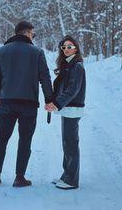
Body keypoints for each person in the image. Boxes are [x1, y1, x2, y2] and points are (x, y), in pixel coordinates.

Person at [0, 20, 53, 187]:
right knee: (25, 140)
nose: (33, 36)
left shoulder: (2, 51)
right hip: (29, 104)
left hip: (7, 103)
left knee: (2, 138)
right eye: (32, 33)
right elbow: (45, 78)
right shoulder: (37, 52)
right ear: (26, 33)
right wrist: (49, 100)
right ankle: (19, 177)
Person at [45, 35, 86, 190]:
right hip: (68, 109)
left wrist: (56, 104)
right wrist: (53, 102)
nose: (66, 49)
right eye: (64, 47)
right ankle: (66, 175)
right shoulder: (69, 65)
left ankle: (72, 180)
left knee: (71, 144)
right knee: (67, 143)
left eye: (70, 46)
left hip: (72, 108)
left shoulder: (77, 66)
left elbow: (72, 90)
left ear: (76, 47)